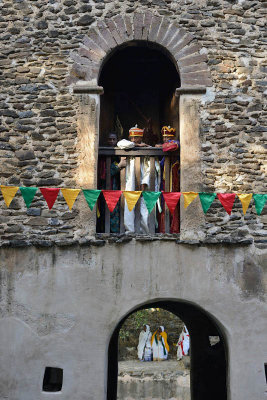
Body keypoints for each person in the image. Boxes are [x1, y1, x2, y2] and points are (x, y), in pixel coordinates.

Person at [118, 125, 160, 233]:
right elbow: (120, 143)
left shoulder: (147, 149)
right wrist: (135, 145)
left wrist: (145, 182)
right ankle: (130, 231)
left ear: (141, 138)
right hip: (130, 182)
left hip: (144, 183)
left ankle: (145, 232)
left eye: (136, 138)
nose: (133, 140)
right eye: (131, 138)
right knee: (129, 205)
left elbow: (152, 167)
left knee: (145, 207)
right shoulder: (128, 146)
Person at [97, 132, 126, 233]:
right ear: (106, 140)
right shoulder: (104, 156)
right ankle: (106, 231)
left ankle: (116, 231)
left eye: (114, 139)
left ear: (117, 140)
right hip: (106, 187)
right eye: (110, 139)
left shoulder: (119, 153)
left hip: (117, 187)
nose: (112, 141)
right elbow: (103, 173)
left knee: (117, 210)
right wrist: (118, 167)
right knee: (106, 209)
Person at [156, 126, 180, 233]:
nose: (165, 139)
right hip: (164, 179)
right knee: (163, 201)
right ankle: (164, 229)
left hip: (173, 178)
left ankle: (174, 228)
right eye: (164, 137)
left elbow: (170, 147)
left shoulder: (176, 143)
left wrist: (161, 146)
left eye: (167, 137)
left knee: (173, 201)